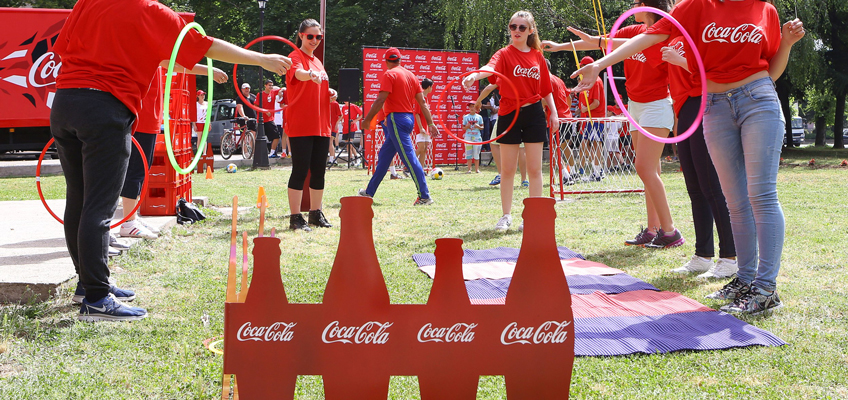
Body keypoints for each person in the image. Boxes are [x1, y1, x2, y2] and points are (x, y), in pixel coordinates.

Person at [51, 0, 290, 322]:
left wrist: (202, 70)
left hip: (65, 103)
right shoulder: (150, 9)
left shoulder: (88, 3)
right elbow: (203, 44)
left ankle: (89, 284)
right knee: (98, 206)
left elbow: (167, 57)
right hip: (105, 108)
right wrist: (261, 58)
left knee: (78, 200)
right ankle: (96, 297)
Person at [572, 0, 804, 314]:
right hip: (715, 105)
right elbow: (647, 37)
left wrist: (787, 43)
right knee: (734, 199)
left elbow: (772, 70)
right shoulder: (694, 8)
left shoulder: (765, 9)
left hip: (757, 98)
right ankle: (745, 279)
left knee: (761, 194)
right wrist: (600, 64)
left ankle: (765, 288)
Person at [545, 3, 684, 248]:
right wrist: (561, 47)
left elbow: (605, 44)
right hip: (635, 105)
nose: (632, 6)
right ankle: (653, 230)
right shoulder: (632, 31)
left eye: (636, 3)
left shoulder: (666, 34)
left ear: (647, 5)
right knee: (649, 171)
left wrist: (595, 45)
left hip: (656, 104)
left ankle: (670, 231)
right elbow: (599, 43)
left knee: (644, 168)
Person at [463, 10, 559, 231]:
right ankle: (506, 216)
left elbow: (546, 89)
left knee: (535, 169)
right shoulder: (504, 54)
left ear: (530, 30)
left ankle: (533, 216)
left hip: (534, 113)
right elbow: (489, 68)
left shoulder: (537, 56)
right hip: (509, 112)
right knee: (507, 170)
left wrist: (553, 113)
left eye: (522, 27)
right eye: (513, 27)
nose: (516, 31)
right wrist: (474, 75)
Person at [120, 65, 227, 242]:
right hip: (141, 115)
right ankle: (128, 222)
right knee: (135, 169)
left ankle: (131, 217)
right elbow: (174, 61)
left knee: (141, 170)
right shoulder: (145, 46)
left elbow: (172, 62)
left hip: (150, 116)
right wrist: (208, 71)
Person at [661, 34, 738, 279]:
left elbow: (716, 67)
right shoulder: (665, 31)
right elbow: (622, 42)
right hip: (684, 107)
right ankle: (703, 255)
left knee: (711, 186)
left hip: (704, 102)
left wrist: (681, 60)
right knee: (694, 187)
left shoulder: (702, 24)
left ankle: (730, 257)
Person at [359, 47, 439, 205]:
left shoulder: (389, 74)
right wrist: (431, 123)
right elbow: (422, 102)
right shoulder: (411, 76)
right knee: (384, 157)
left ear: (387, 61)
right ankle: (369, 192)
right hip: (408, 119)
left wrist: (368, 119)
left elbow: (380, 100)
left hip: (396, 119)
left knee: (409, 158)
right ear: (400, 60)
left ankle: (425, 196)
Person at [285, 19, 334, 231]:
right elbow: (298, 74)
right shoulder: (295, 57)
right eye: (311, 36)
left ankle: (315, 213)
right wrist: (310, 75)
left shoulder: (318, 61)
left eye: (318, 37)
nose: (315, 40)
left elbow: (318, 87)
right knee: (300, 170)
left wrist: (330, 93)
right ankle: (295, 217)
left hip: (321, 124)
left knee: (319, 171)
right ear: (301, 35)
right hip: (302, 123)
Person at [475, 84, 528, 187]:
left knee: (496, 143)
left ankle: (503, 174)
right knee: (519, 147)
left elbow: (490, 87)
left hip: (507, 112)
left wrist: (478, 101)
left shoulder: (505, 73)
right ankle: (523, 179)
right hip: (519, 111)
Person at [255, 79, 282, 158]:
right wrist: (264, 111)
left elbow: (282, 90)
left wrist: (282, 89)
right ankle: (259, 155)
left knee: (276, 136)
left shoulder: (273, 92)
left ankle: (272, 153)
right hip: (261, 120)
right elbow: (256, 106)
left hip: (270, 119)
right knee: (260, 138)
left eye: (272, 85)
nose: (271, 87)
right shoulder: (260, 94)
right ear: (265, 86)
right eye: (269, 85)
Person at [413, 78, 435, 171]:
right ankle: (407, 165)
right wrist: (421, 127)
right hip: (421, 127)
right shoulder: (420, 97)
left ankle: (421, 170)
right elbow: (417, 114)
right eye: (432, 87)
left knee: (425, 148)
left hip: (426, 127)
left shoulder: (426, 98)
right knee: (421, 147)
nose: (432, 89)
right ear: (429, 87)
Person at [462, 102, 484, 173]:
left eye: (473, 106)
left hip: (477, 137)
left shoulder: (479, 117)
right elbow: (463, 127)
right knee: (468, 153)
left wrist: (478, 127)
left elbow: (482, 127)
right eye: (470, 107)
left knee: (476, 153)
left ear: (476, 108)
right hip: (468, 137)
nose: (471, 108)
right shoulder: (466, 117)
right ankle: (469, 169)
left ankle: (477, 169)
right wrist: (467, 127)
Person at [328, 90, 343, 164]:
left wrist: (337, 123)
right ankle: (333, 158)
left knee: (330, 142)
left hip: (333, 126)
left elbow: (341, 115)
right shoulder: (325, 104)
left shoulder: (335, 104)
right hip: (327, 125)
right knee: (329, 142)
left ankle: (331, 158)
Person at [274, 87, 288, 157]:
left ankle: (291, 152)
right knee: (285, 133)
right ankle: (284, 152)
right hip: (286, 115)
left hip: (295, 115)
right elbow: (281, 104)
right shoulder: (285, 91)